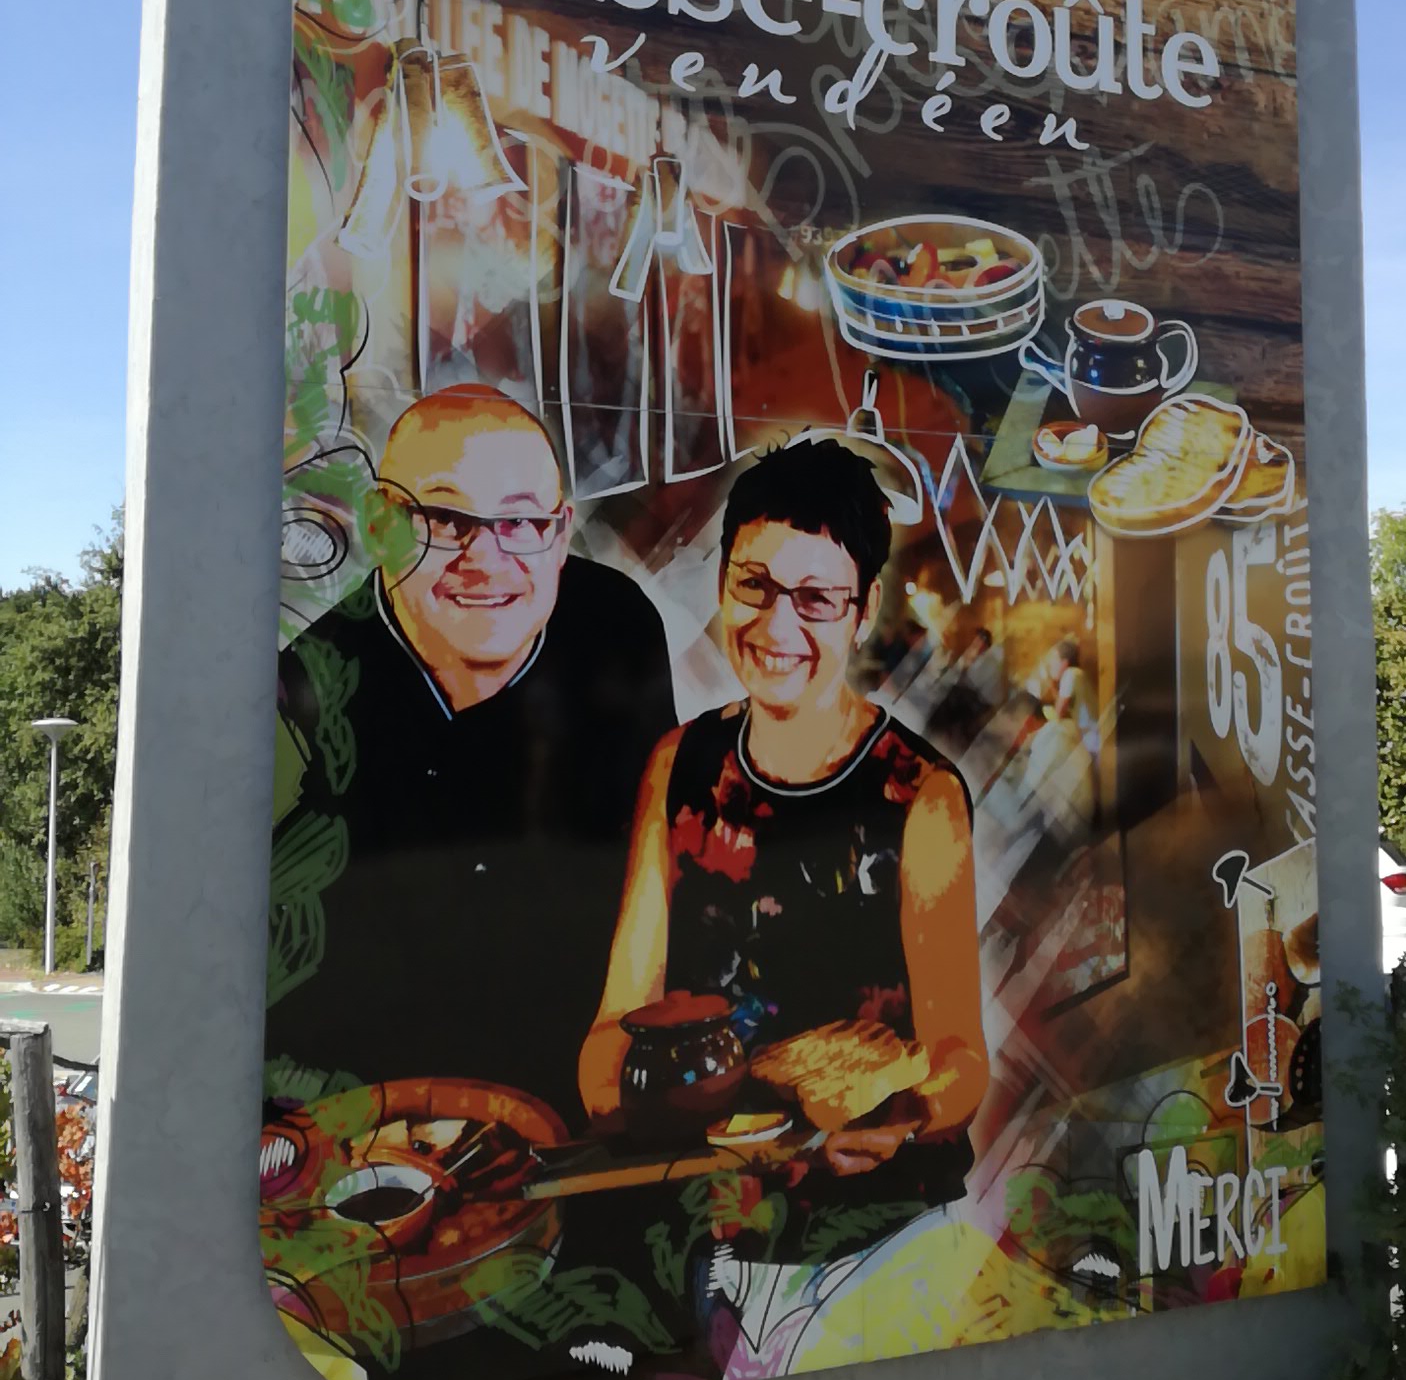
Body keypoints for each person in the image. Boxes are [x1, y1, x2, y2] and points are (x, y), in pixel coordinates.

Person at [267, 383, 676, 1135]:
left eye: (520, 521)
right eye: (446, 520)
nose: (484, 559)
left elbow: (658, 877)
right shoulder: (307, 692)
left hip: (584, 1111)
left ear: (560, 533)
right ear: (382, 526)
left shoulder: (616, 628)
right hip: (371, 1129)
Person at [580, 439, 986, 1187]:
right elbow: (616, 1024)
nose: (776, 626)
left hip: (871, 1193)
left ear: (863, 612)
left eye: (816, 599)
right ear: (722, 583)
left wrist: (903, 1119)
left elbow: (959, 1058)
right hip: (709, 1180)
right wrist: (626, 1107)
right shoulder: (678, 764)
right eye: (754, 585)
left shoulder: (921, 795)